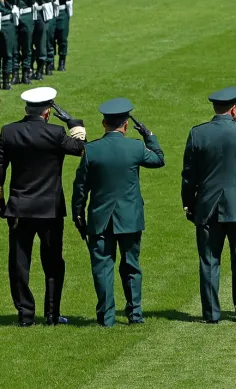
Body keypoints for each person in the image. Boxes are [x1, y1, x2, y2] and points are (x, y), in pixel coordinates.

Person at [0, 87, 86, 326]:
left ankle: (25, 315)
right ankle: (52, 315)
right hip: (49, 209)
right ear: (47, 112)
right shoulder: (56, 132)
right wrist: (75, 124)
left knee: (19, 264)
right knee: (53, 262)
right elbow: (80, 149)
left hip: (19, 208)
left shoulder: (9, 131)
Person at [71, 98, 165, 327]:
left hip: (100, 219)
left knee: (103, 268)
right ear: (125, 125)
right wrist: (149, 135)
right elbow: (159, 159)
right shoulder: (134, 147)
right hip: (130, 218)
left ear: (104, 123)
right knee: (131, 266)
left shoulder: (91, 150)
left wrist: (78, 214)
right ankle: (135, 315)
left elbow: (80, 187)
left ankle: (107, 318)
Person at [181, 87, 236, 323]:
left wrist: (189, 205)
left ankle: (211, 314)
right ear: (234, 109)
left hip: (207, 207)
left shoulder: (197, 133)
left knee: (209, 262)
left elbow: (188, 176)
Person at [52, 0, 73, 71]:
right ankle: (50, 63)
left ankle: (62, 62)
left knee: (62, 38)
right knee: (50, 37)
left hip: (62, 11)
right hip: (50, 10)